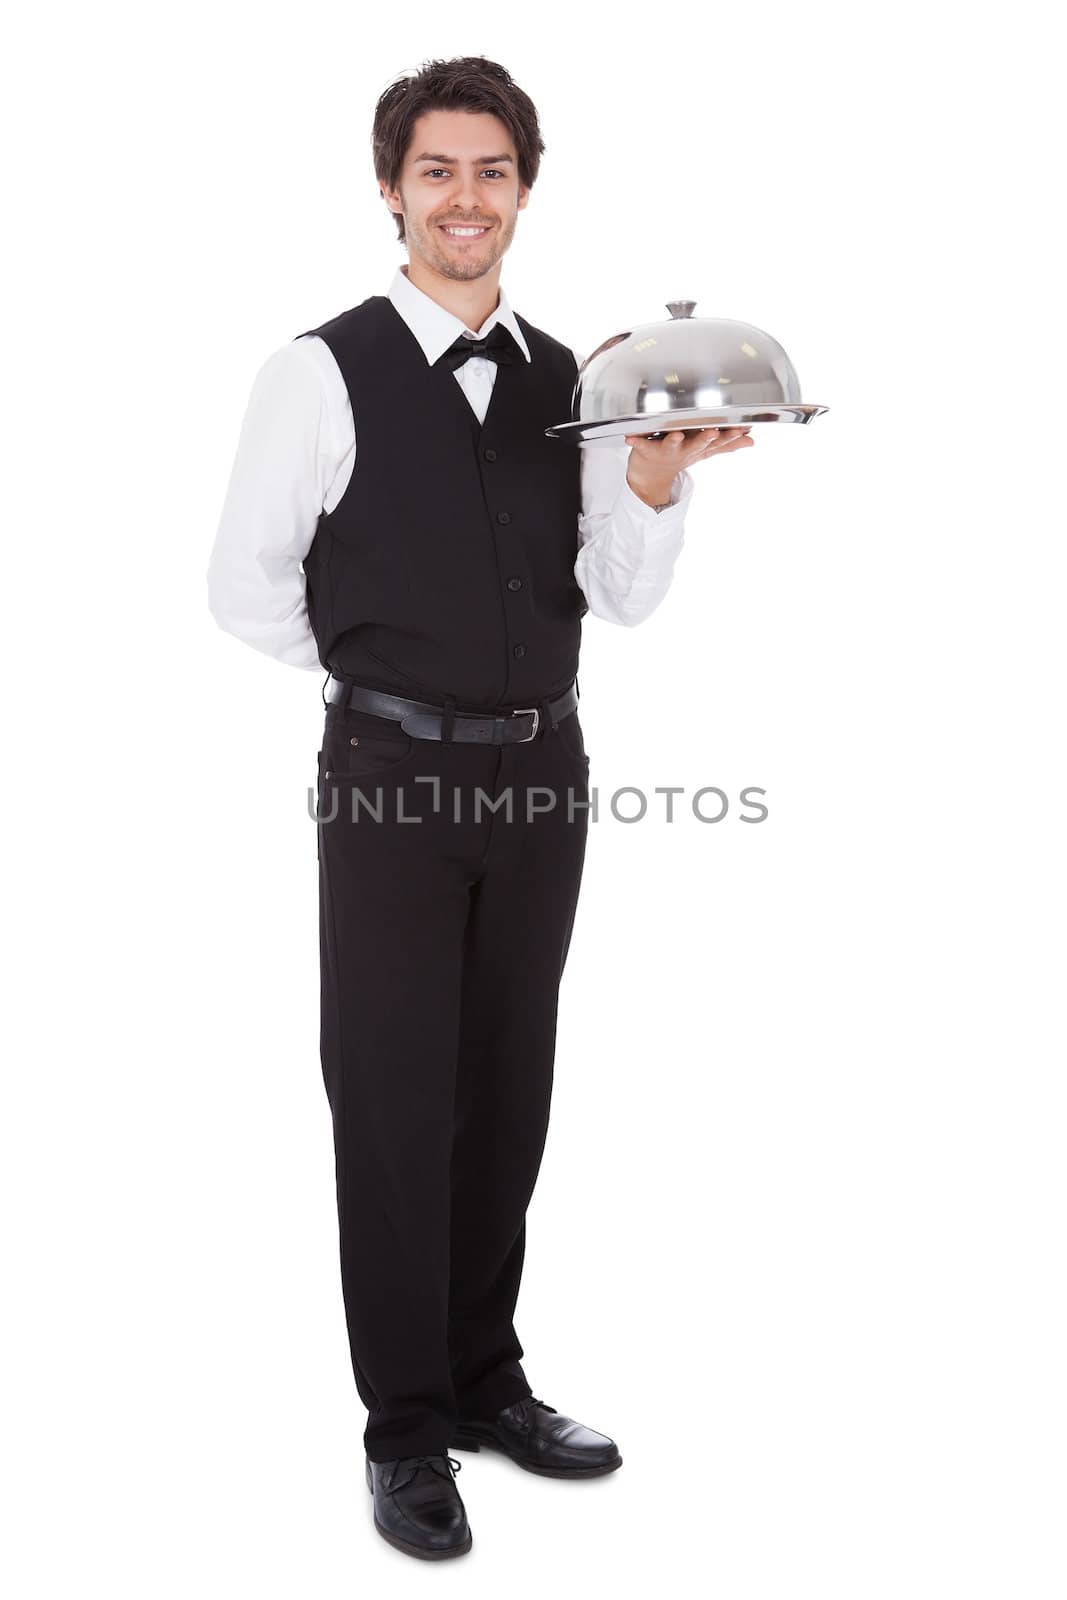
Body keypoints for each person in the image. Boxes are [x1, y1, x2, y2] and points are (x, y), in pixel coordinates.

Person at [206, 53, 754, 1563]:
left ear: (525, 187)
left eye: (492, 170)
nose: (466, 198)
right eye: (437, 171)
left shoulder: (582, 383)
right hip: (390, 781)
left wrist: (654, 469)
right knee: (390, 1100)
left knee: (505, 1088)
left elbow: (623, 599)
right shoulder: (315, 373)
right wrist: (396, 685)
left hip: (546, 776)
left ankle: (485, 1382)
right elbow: (243, 591)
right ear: (393, 191)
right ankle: (401, 1430)